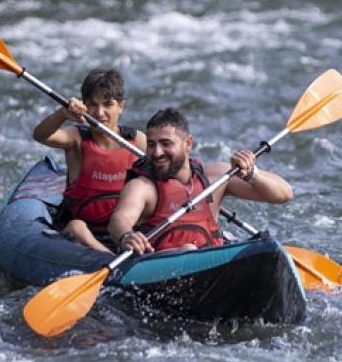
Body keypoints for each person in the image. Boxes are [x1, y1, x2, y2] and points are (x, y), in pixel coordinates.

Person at [108, 107, 293, 254]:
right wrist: (127, 236)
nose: (157, 152)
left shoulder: (215, 177)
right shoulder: (142, 187)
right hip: (163, 267)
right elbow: (120, 219)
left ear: (188, 143)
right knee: (188, 250)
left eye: (166, 144)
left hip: (211, 262)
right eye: (151, 144)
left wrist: (252, 174)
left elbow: (284, 194)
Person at [32, 68, 147, 252]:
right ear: (84, 106)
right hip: (85, 232)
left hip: (124, 229)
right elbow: (41, 136)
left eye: (108, 104)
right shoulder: (76, 139)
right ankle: (111, 261)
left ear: (121, 106)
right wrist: (62, 114)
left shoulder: (137, 141)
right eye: (92, 105)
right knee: (76, 227)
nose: (99, 113)